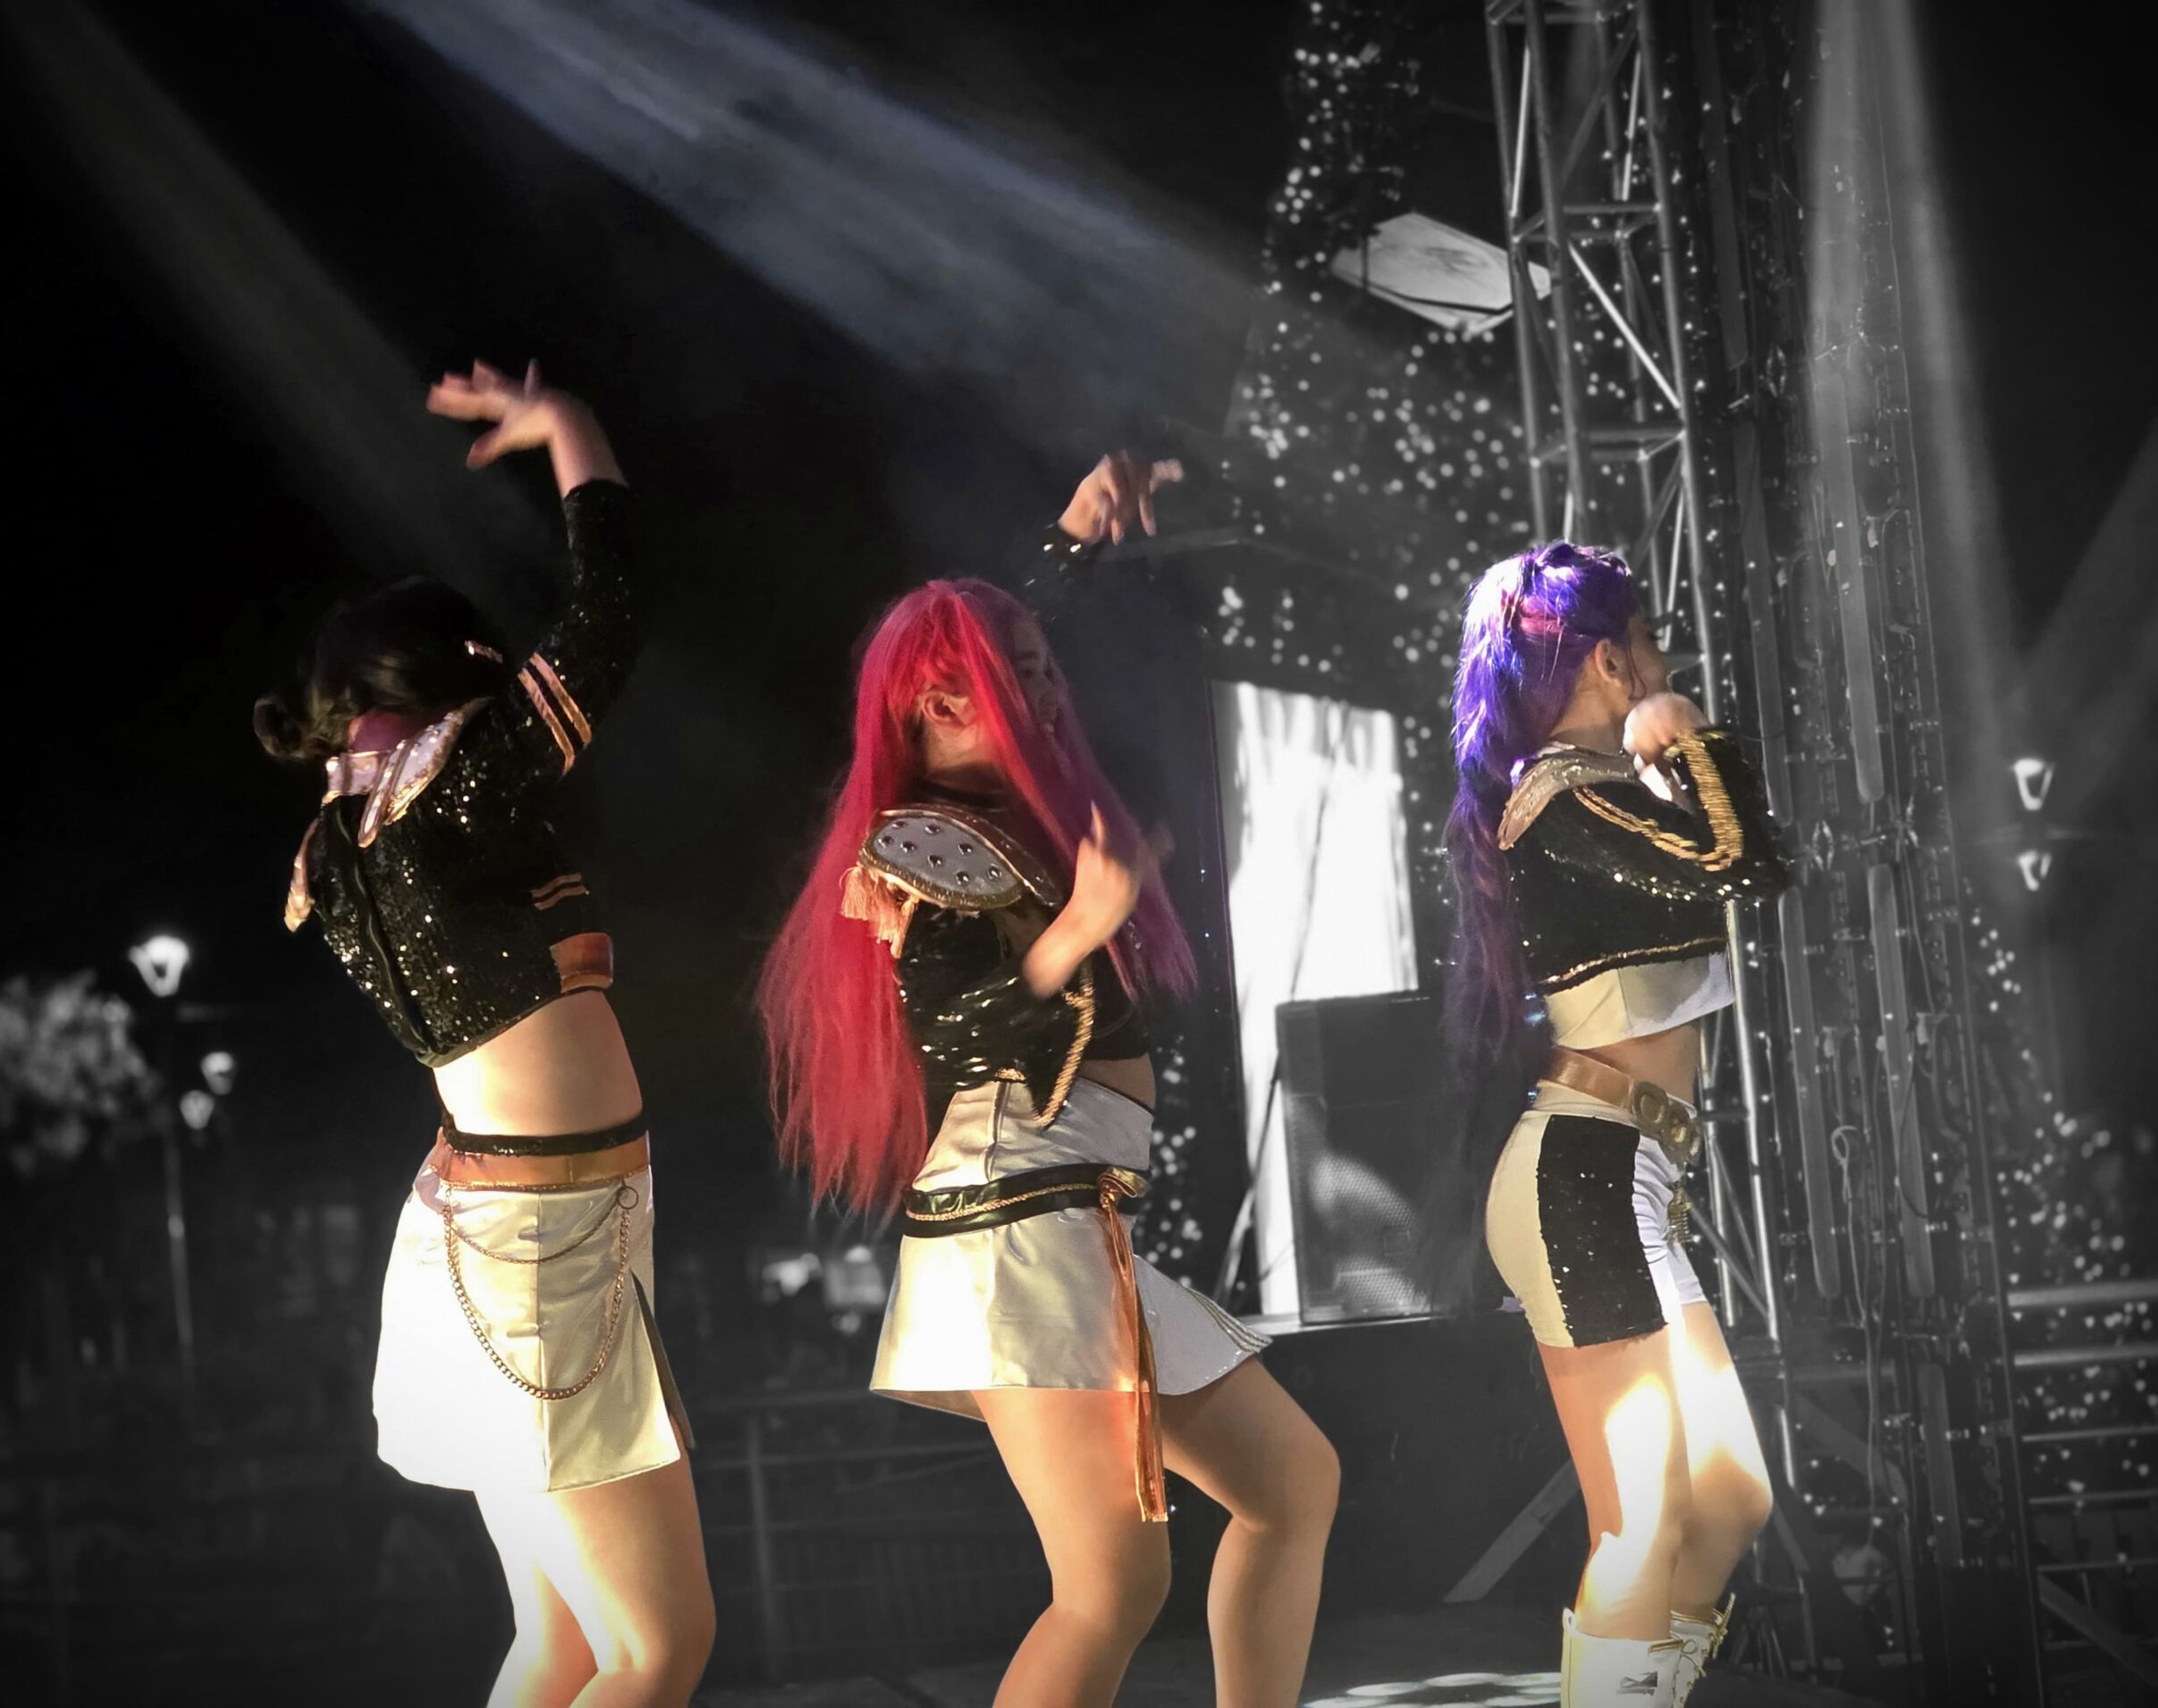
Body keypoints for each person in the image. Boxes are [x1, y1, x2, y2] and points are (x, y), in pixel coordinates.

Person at [758, 455, 1341, 1708]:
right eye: (1002, 681)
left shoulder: (1000, 813)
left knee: (1291, 1485)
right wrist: (1078, 929)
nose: (1036, 688)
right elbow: (956, 1026)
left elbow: (1001, 647)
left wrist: (1072, 540)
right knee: (1111, 1586)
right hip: (1019, 1221)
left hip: (1075, 1215)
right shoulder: (919, 845)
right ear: (928, 709)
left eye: (1038, 668)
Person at [257, 361, 713, 1707]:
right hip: (541, 1251)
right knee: (655, 1650)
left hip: (510, 1237)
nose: (511, 684)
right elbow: (609, 618)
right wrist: (572, 426)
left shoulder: (347, 840)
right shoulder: (445, 791)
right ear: (445, 679)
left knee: (563, 1647)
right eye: (489, 669)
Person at [1445, 542, 1789, 1706]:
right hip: (1582, 1174)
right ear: (1606, 658)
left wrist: (1671, 761)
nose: (1663, 660)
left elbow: (1728, 862)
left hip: (1623, 1175)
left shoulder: (1596, 796)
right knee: (1641, 1522)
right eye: (1648, 642)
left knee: (1728, 1498)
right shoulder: (1560, 799)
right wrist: (1686, 737)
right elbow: (1743, 862)